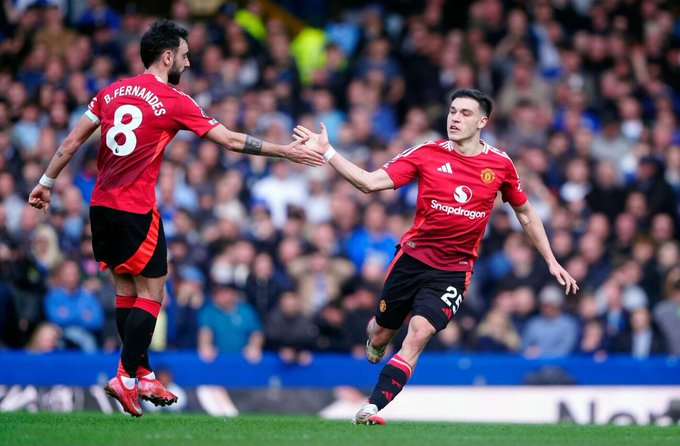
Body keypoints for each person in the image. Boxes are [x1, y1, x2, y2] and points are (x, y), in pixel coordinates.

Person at [27, 19, 323, 418]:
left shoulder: (110, 92)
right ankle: (125, 376)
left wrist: (45, 182)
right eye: (184, 56)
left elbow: (70, 141)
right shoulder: (174, 100)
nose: (188, 62)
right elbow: (232, 141)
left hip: (100, 207)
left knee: (126, 290)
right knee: (154, 292)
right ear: (167, 56)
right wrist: (288, 152)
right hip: (135, 209)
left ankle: (143, 372)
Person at [295, 88, 579, 425]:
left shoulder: (500, 164)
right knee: (382, 334)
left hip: (453, 271)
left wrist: (550, 259)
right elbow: (369, 183)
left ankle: (371, 407)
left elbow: (526, 213)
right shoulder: (426, 153)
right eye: (452, 111)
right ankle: (376, 336)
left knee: (418, 333)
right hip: (411, 261)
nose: (455, 119)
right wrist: (328, 152)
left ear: (483, 122)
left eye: (465, 113)